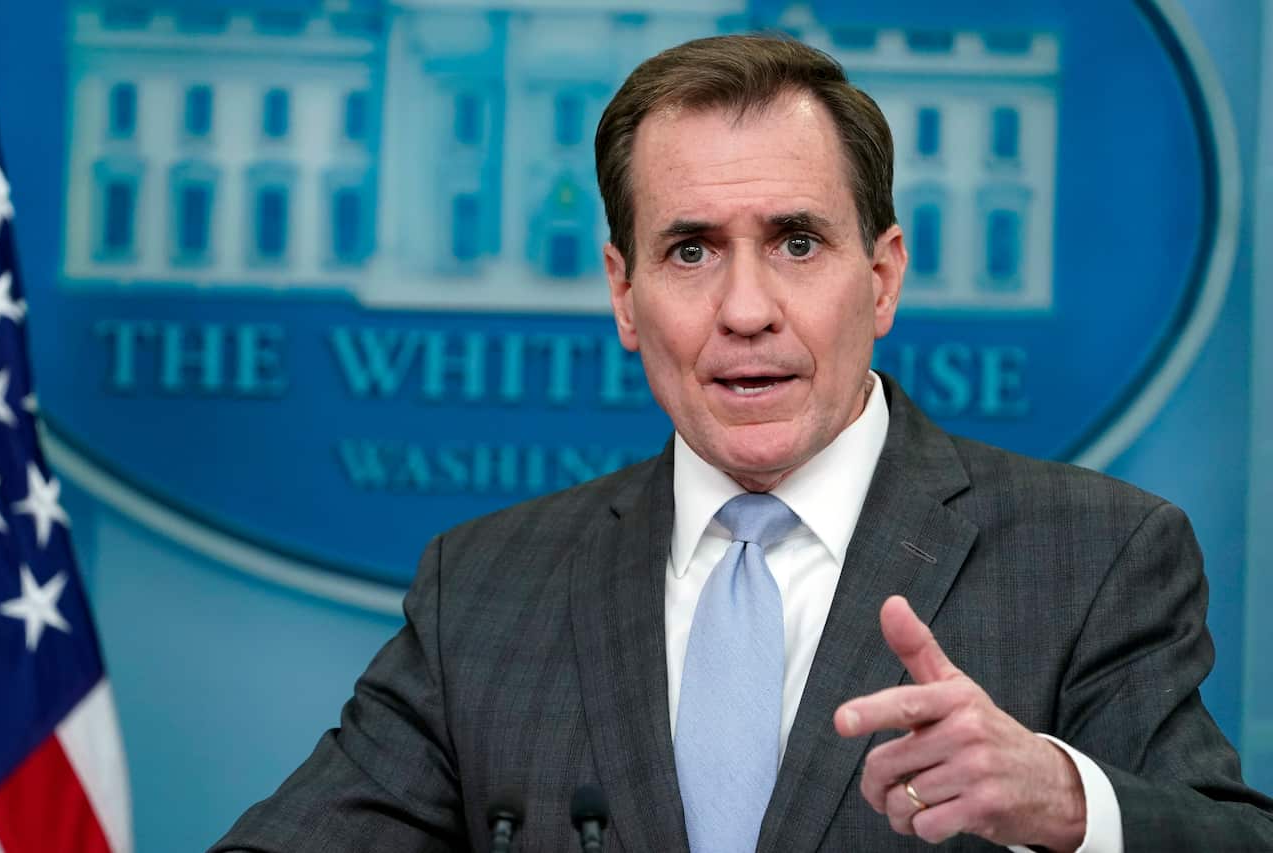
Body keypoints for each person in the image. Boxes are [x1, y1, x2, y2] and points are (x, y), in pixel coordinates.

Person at [212, 34, 1273, 852]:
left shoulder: (1091, 555)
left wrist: (1061, 800)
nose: (745, 309)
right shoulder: (483, 586)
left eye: (796, 242)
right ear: (623, 295)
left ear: (883, 275)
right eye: (689, 251)